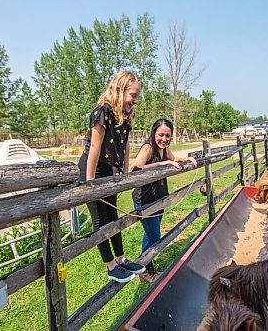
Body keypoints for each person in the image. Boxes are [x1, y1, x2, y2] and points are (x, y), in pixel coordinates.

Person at [78, 71, 145, 283]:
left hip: (109, 170)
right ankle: (110, 266)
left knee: (113, 217)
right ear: (120, 89)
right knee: (101, 220)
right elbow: (95, 147)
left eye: (137, 96)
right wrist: (90, 181)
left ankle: (122, 259)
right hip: (93, 169)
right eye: (133, 95)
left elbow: (124, 148)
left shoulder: (124, 117)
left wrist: (124, 174)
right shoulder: (102, 112)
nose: (135, 101)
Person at [130, 118, 197, 282]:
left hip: (159, 199)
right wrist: (164, 163)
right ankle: (144, 268)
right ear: (154, 133)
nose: (164, 139)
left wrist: (187, 159)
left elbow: (174, 159)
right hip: (145, 201)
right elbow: (135, 167)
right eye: (161, 135)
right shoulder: (148, 148)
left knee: (150, 233)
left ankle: (144, 266)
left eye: (168, 136)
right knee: (155, 237)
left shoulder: (164, 149)